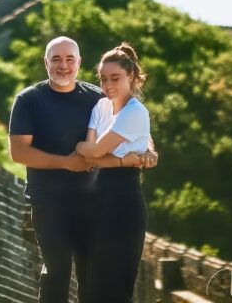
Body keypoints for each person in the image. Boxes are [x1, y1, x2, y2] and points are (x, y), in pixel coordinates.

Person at [9, 36, 157, 303]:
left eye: (69, 59)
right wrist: (66, 162)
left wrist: (149, 149)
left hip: (93, 201)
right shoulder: (29, 100)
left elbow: (130, 120)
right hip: (49, 201)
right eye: (56, 59)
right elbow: (19, 152)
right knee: (58, 269)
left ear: (79, 63)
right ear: (46, 63)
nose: (63, 66)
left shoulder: (97, 97)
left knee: (91, 275)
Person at [76, 42, 152, 302]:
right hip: (95, 199)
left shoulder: (135, 112)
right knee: (87, 283)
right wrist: (114, 158)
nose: (108, 85)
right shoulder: (101, 107)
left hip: (123, 201)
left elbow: (94, 150)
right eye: (104, 79)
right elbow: (89, 155)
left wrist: (89, 150)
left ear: (131, 76)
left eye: (116, 78)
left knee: (113, 287)